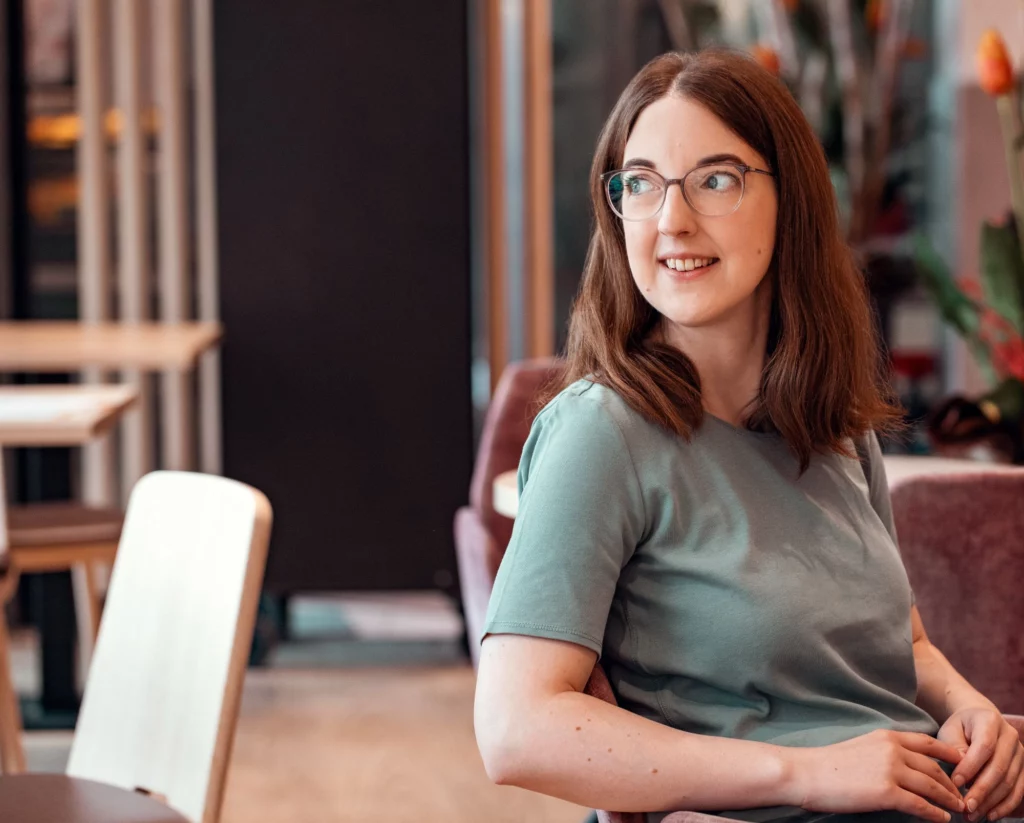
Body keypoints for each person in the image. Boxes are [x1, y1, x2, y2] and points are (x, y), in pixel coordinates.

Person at [472, 49, 1024, 823]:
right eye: (641, 184)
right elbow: (514, 729)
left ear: (789, 200)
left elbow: (904, 644)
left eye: (716, 179)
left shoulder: (833, 424)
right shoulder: (603, 432)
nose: (671, 220)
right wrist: (807, 772)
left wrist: (974, 711)